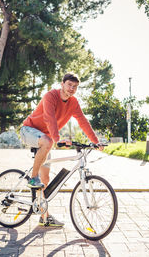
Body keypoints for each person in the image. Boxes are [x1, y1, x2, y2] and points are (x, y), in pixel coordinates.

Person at [20, 72, 104, 227]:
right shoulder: (50, 96)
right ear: (62, 84)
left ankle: (44, 217)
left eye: (75, 86)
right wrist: (57, 140)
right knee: (47, 143)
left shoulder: (73, 103)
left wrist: (95, 142)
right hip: (28, 130)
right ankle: (32, 177)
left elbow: (83, 121)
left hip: (45, 139)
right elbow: (50, 118)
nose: (72, 89)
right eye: (69, 85)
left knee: (45, 180)